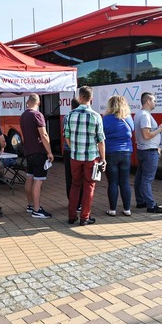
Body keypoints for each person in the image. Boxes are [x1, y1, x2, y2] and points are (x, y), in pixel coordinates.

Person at [64, 86, 105, 226]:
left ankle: (71, 216)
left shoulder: (69, 115)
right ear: (91, 99)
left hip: (75, 156)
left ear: (79, 98)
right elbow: (101, 141)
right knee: (89, 186)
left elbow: (67, 137)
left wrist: (74, 148)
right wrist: (103, 159)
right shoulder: (96, 116)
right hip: (91, 158)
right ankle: (84, 217)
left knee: (75, 185)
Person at [134, 92, 162, 214]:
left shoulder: (140, 114)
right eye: (154, 100)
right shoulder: (145, 115)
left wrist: (158, 128)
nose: (156, 102)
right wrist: (160, 129)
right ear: (148, 101)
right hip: (149, 151)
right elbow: (146, 134)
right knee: (147, 179)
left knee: (140, 177)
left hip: (143, 150)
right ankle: (151, 205)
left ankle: (140, 201)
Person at [19, 94, 54, 218]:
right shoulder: (37, 115)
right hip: (39, 151)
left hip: (28, 151)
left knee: (29, 177)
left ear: (28, 102)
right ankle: (37, 209)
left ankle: (30, 205)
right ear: (38, 103)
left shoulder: (23, 115)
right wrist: (49, 151)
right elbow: (43, 135)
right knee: (38, 180)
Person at [102, 95, 134, 216]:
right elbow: (132, 130)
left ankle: (113, 210)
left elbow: (101, 134)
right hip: (126, 152)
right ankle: (127, 209)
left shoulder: (106, 119)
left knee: (113, 182)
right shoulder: (128, 118)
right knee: (125, 181)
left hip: (110, 152)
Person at [63, 98, 80, 199]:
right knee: (79, 178)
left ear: (71, 106)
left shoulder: (67, 117)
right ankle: (79, 202)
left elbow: (65, 135)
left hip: (68, 150)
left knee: (69, 177)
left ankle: (72, 201)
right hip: (80, 150)